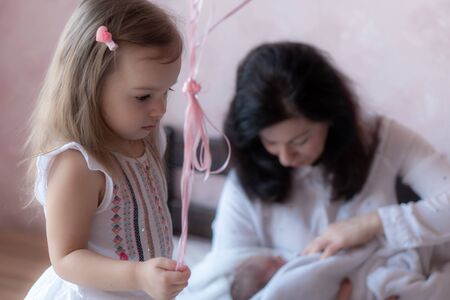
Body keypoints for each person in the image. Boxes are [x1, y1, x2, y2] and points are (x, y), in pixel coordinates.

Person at [180, 41, 450, 300]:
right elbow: (226, 278)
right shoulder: (249, 176)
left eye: (300, 141)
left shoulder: (383, 140)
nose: (285, 158)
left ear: (331, 118)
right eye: (271, 143)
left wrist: (370, 224)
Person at [24, 0, 190, 299]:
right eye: (143, 97)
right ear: (90, 86)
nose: (160, 109)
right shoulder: (79, 165)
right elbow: (66, 258)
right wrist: (138, 275)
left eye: (167, 91)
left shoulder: (149, 141)